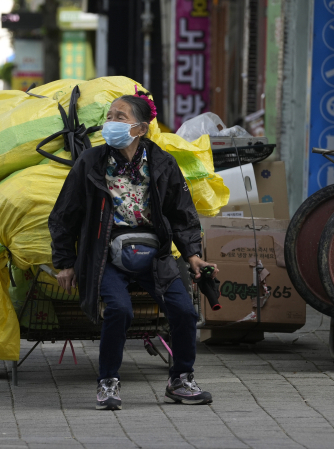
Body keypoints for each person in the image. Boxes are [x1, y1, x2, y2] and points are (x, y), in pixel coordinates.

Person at [49, 88, 218, 410]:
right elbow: (63, 216)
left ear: (140, 129)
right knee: (120, 310)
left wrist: (194, 254)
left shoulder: (162, 163)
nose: (110, 123)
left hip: (154, 253)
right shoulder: (90, 162)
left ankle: (181, 379)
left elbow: (181, 213)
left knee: (184, 311)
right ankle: (108, 383)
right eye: (109, 117)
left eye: (120, 117)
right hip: (103, 254)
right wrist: (66, 263)